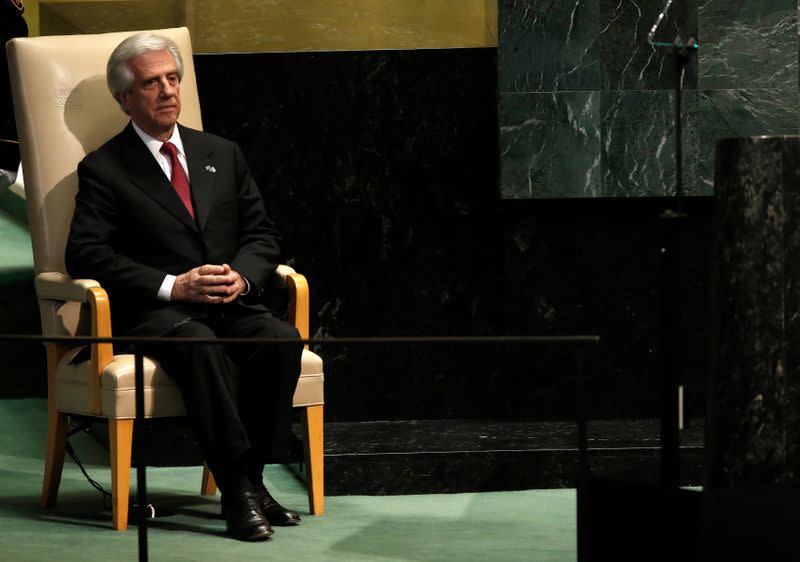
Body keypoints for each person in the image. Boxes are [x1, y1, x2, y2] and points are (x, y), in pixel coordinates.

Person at [65, 32, 303, 541]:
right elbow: (87, 255)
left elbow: (262, 234)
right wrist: (174, 286)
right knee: (200, 345)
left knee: (279, 339)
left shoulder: (221, 152)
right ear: (124, 97)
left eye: (173, 79)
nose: (168, 91)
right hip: (157, 313)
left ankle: (255, 479)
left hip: (227, 300)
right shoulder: (104, 169)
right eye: (152, 83)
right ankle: (237, 491)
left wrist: (241, 275)